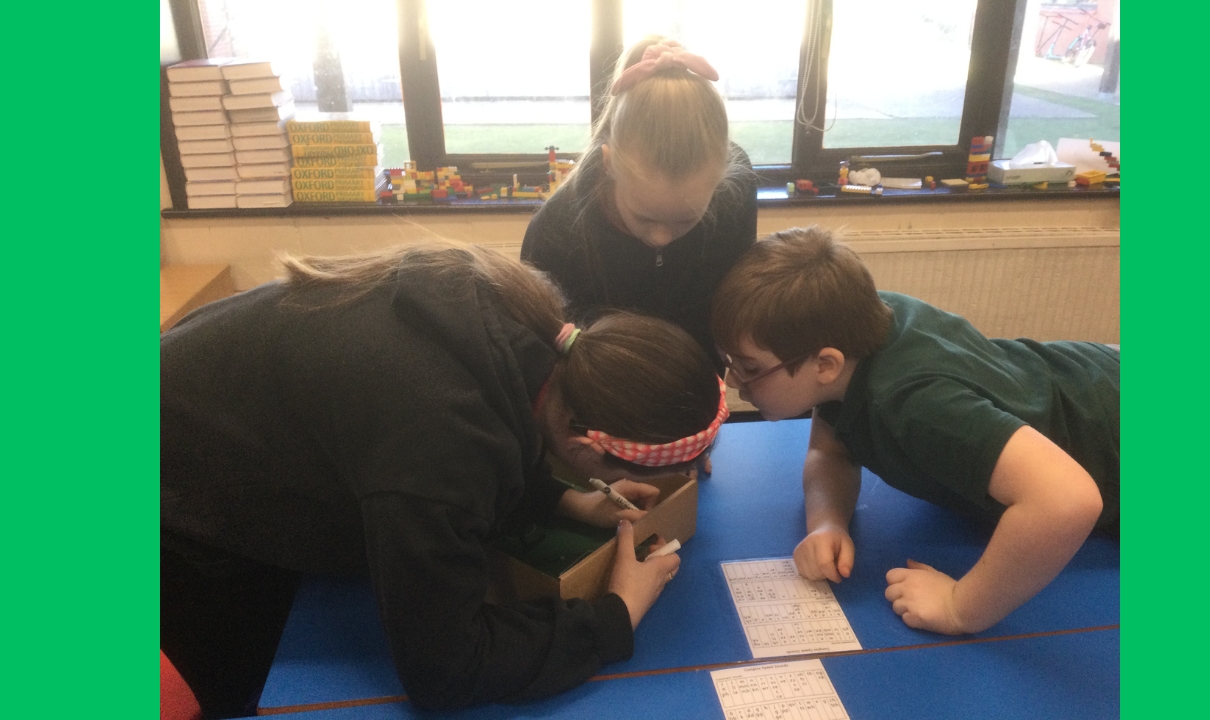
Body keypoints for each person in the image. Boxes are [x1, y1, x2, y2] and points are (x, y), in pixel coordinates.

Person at [161, 242, 728, 717]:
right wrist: (614, 615)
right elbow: (446, 670)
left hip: (210, 398)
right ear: (586, 443)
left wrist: (567, 502)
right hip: (174, 495)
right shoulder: (436, 436)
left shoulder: (530, 328)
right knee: (239, 687)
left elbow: (500, 423)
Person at [710, 227, 1119, 636]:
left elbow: (1068, 501)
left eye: (749, 367)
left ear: (824, 365)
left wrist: (960, 609)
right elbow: (830, 453)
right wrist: (828, 522)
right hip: (1084, 379)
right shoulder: (848, 334)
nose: (731, 381)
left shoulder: (915, 403)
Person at [521, 36, 758, 366]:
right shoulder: (556, 232)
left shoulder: (736, 195)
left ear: (720, 179)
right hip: (598, 387)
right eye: (644, 218)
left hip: (696, 376)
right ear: (609, 164)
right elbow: (540, 343)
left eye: (687, 220)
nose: (661, 237)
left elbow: (732, 298)